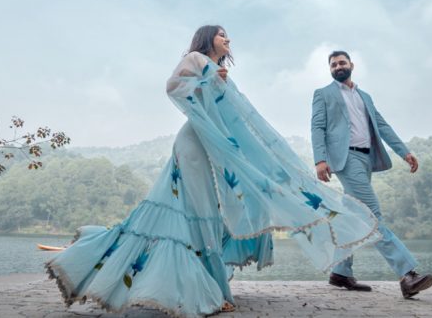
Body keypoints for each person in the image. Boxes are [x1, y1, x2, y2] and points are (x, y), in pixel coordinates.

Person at [45, 27, 382, 317]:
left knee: (211, 212)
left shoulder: (218, 70)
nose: (227, 39)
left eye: (228, 35)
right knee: (199, 212)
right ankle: (212, 292)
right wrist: (207, 79)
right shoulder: (196, 59)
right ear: (208, 38)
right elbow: (173, 88)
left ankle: (203, 285)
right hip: (194, 144)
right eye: (222, 34)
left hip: (215, 146)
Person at [311, 50, 432, 298]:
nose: (338, 67)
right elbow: (317, 126)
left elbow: (381, 125)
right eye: (333, 64)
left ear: (351, 65)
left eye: (341, 62)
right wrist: (320, 159)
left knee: (353, 217)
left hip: (367, 158)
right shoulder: (323, 94)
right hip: (346, 159)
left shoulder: (364, 96)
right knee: (372, 215)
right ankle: (407, 274)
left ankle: (341, 272)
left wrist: (404, 152)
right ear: (330, 69)